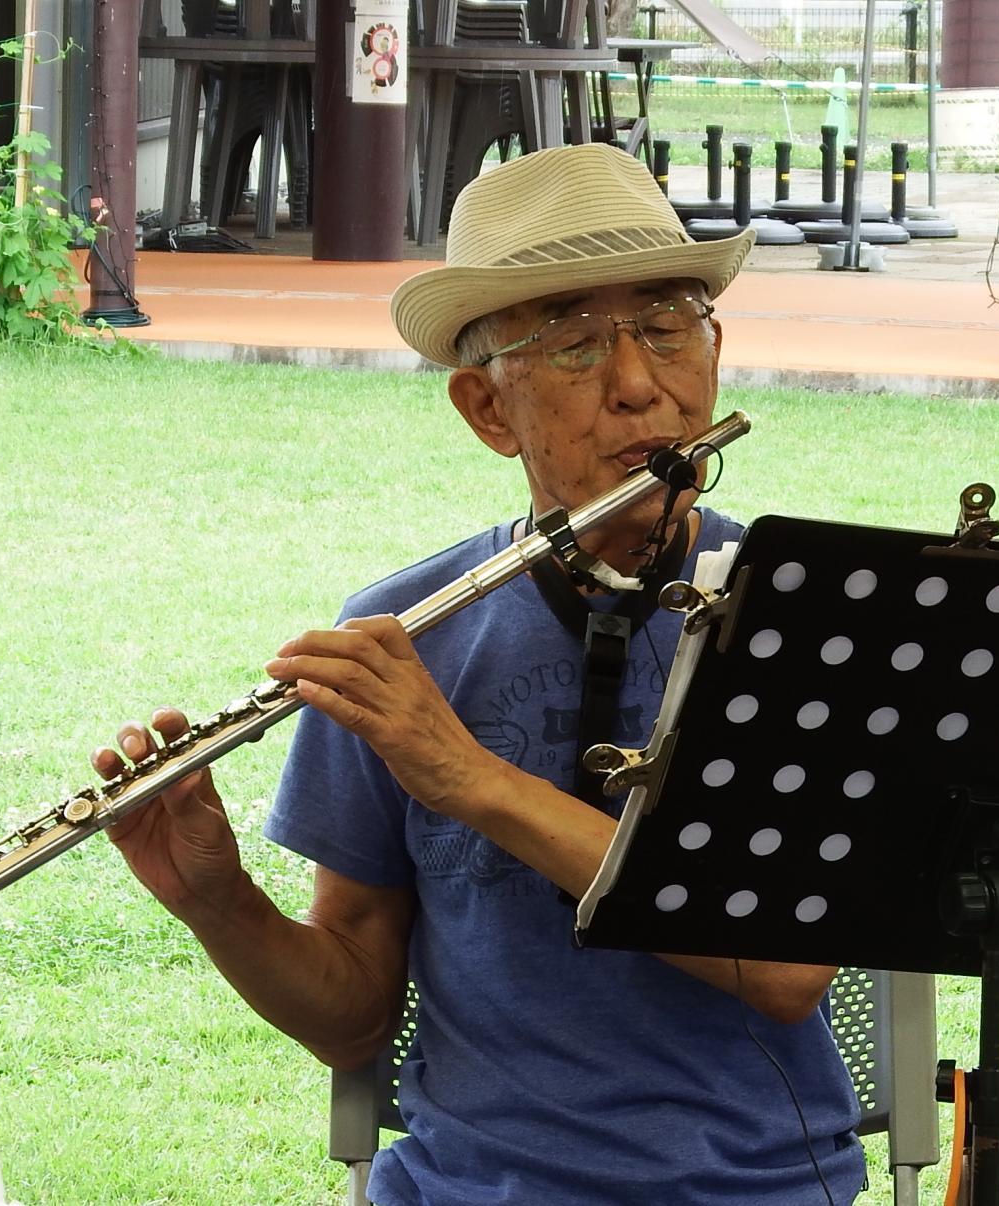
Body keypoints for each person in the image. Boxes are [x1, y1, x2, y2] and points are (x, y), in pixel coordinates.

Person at [94, 143, 866, 1204]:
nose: (641, 387)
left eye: (663, 327)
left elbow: (782, 971)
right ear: (488, 410)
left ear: (712, 352)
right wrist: (220, 904)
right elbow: (356, 1016)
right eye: (577, 347)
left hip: (745, 1191)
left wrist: (466, 777)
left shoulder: (798, 616)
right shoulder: (402, 638)